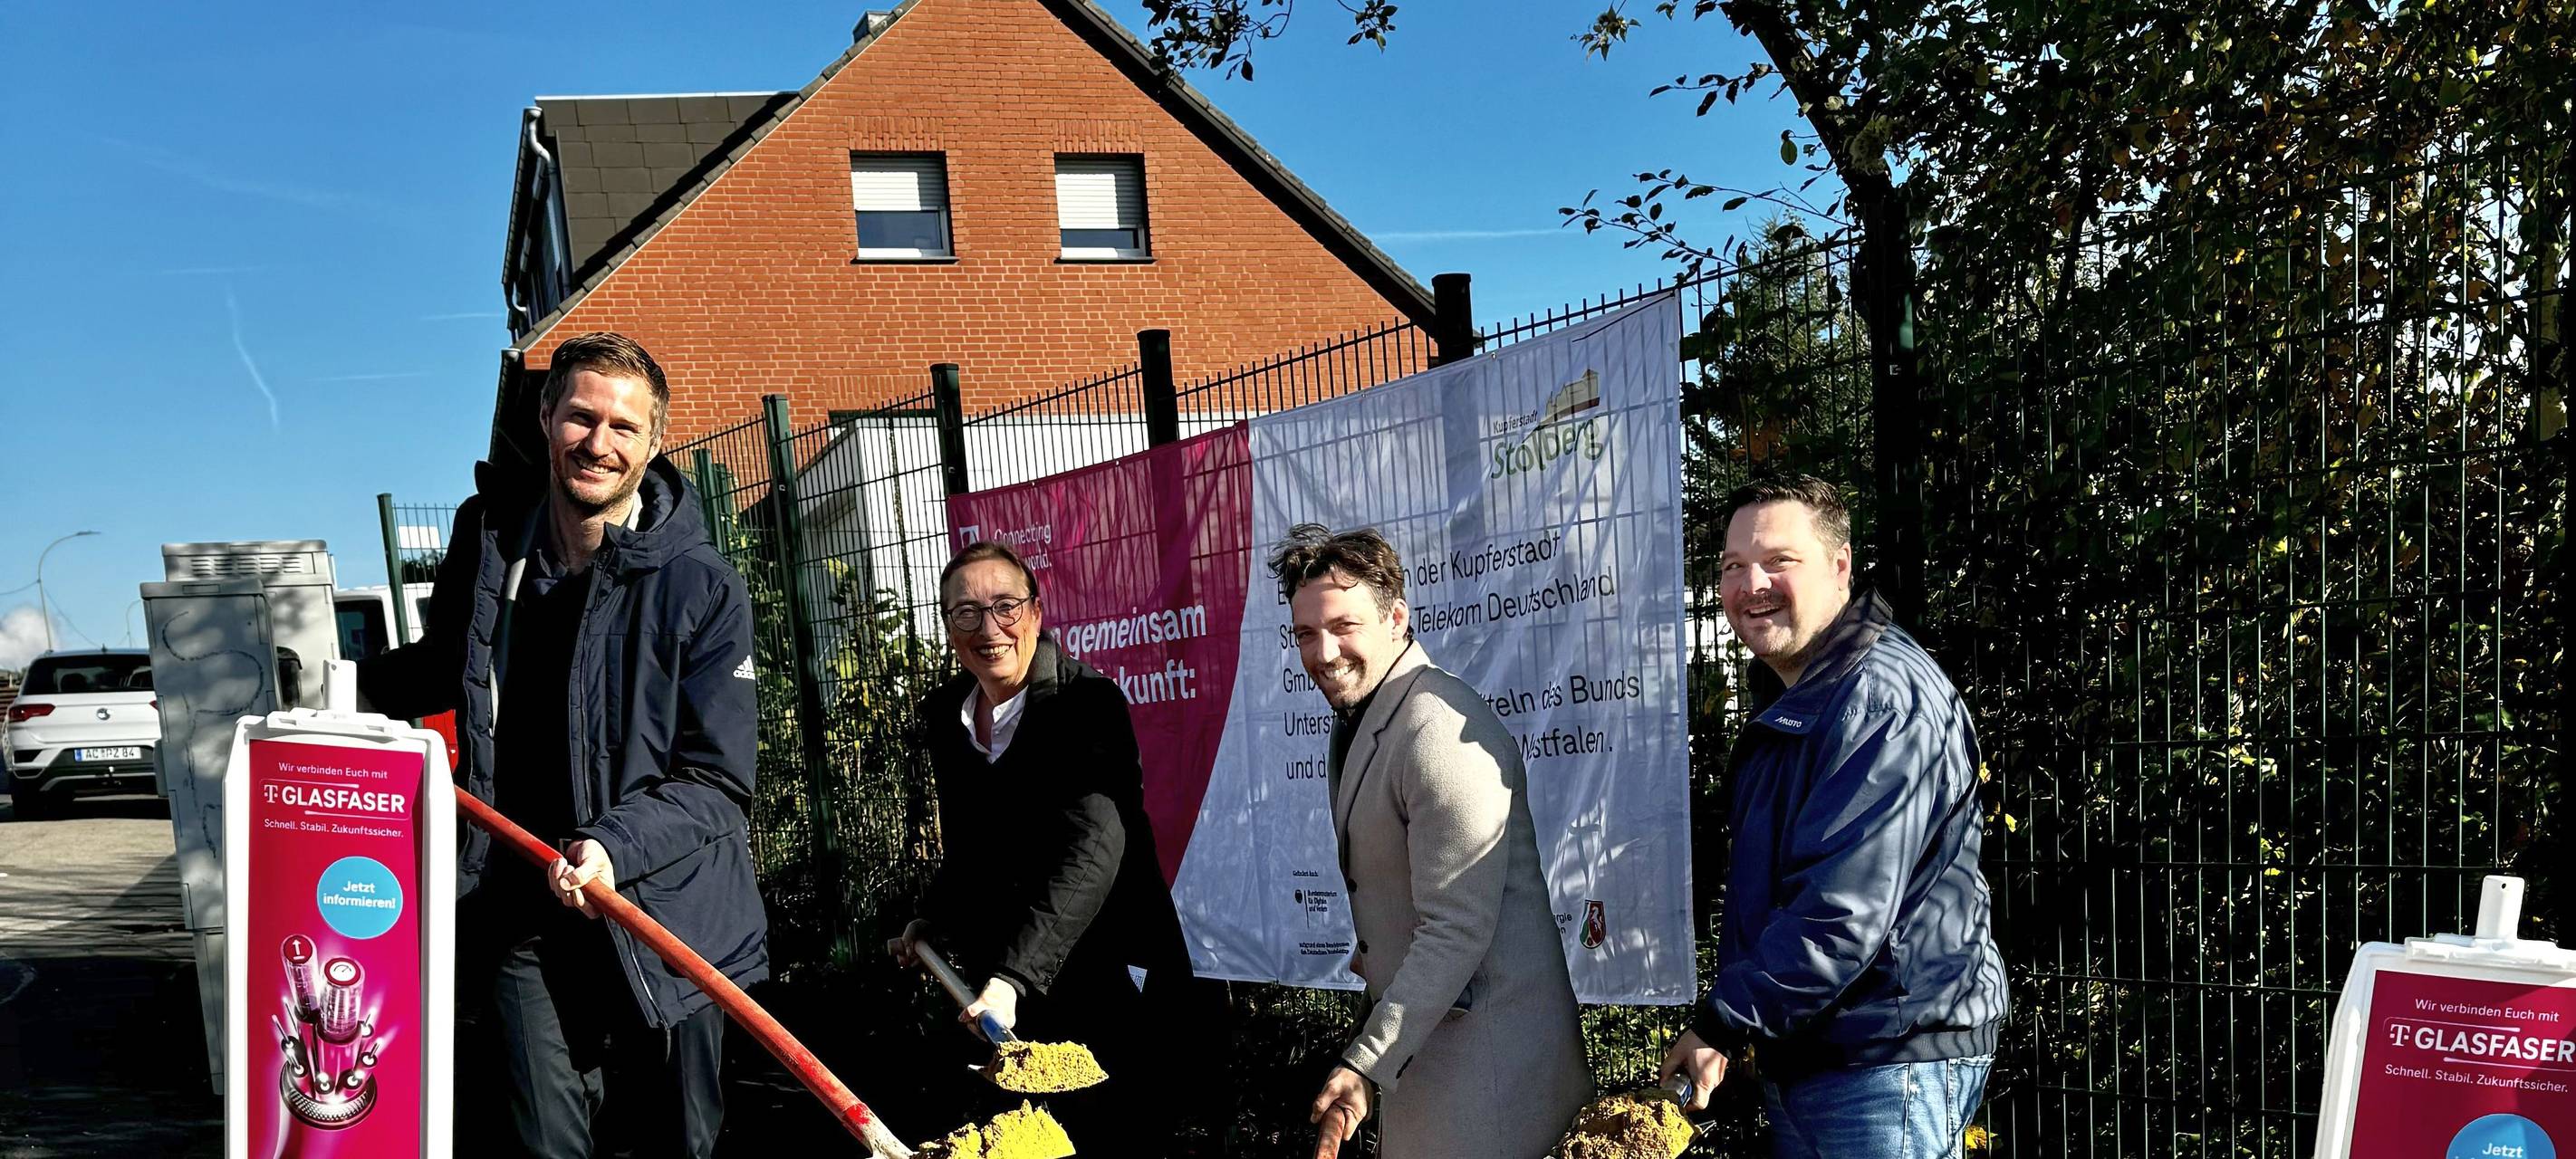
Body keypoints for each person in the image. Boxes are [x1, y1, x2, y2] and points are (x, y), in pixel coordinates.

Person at [360, 332, 764, 1159]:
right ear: (546, 417)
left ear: (655, 443)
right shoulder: (488, 539)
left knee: (675, 1144)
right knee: (543, 1143)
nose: (599, 443)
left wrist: (613, 845)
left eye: (624, 426)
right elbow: (449, 664)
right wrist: (334, 699)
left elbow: (718, 782)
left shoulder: (702, 588)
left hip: (662, 913)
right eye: (581, 416)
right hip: (520, 904)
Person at [1658, 474, 2007, 1158]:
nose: (1750, 584)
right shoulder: (1809, 694)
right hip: (1834, 1054)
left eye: (1778, 562)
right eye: (1732, 567)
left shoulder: (1878, 700)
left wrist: (1725, 1023)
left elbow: (1840, 913)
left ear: (1840, 565)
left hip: (1882, 1060)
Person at [1269, 524, 1591, 1159]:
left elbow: (1456, 929)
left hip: (1492, 1081)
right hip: (1434, 1063)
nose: (1324, 652)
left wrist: (1364, 1063)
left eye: (1344, 626)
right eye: (1306, 633)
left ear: (1396, 618)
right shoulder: (1371, 717)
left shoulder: (1438, 727)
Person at [887, 541, 1199, 1154]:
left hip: (1106, 978)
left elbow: (1092, 850)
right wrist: (935, 913)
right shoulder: (952, 717)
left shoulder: (1087, 705)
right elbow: (975, 844)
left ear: (1035, 612)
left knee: (1117, 1135)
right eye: (965, 613)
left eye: (1006, 606)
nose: (989, 628)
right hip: (1011, 1001)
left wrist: (1012, 978)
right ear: (948, 626)